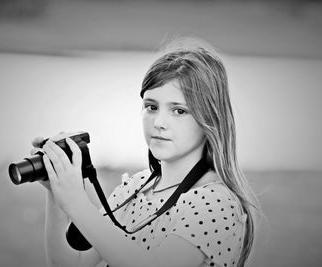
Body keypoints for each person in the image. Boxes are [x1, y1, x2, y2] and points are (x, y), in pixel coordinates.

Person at [31, 37, 260, 267]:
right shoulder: (134, 188)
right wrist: (57, 192)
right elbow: (70, 264)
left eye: (179, 111)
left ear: (210, 119)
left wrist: (77, 204)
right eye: (151, 107)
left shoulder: (216, 203)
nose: (159, 122)